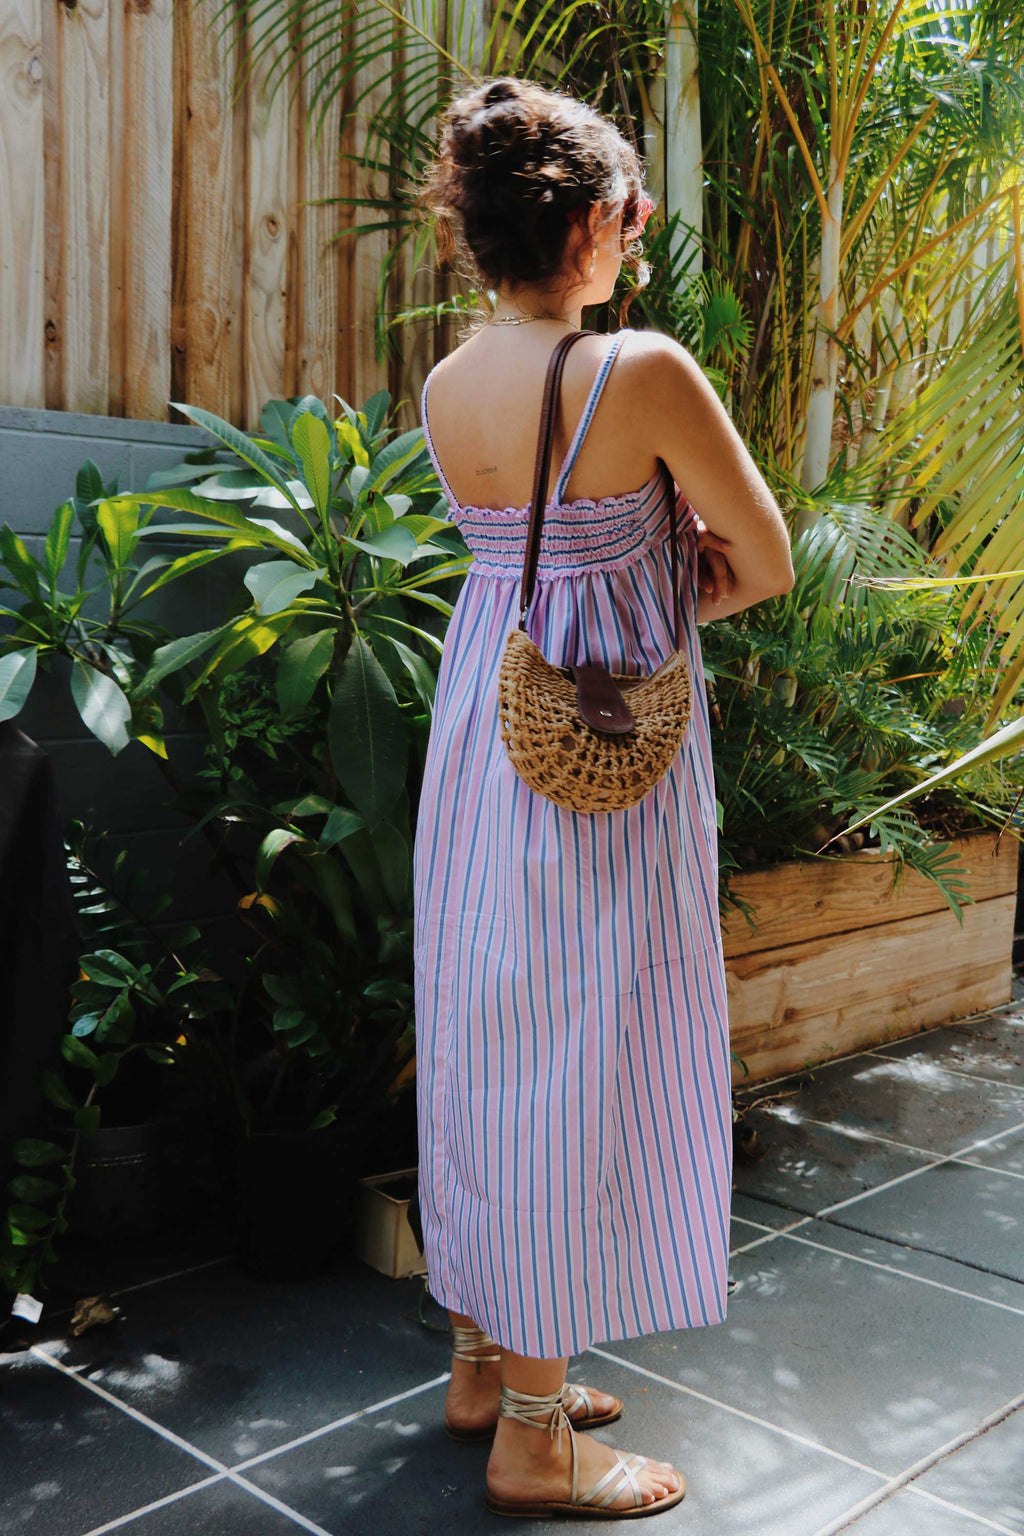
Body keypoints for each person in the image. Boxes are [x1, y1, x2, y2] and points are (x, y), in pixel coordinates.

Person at [411, 75, 794, 1520]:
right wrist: (673, 574)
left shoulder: (450, 384)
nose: (640, 233)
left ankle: (482, 1363)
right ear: (589, 222)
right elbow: (763, 563)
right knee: (573, 1062)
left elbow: (517, 547)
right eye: (631, 209)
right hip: (599, 759)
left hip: (484, 731)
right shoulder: (641, 372)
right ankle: (531, 1436)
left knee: (486, 1030)